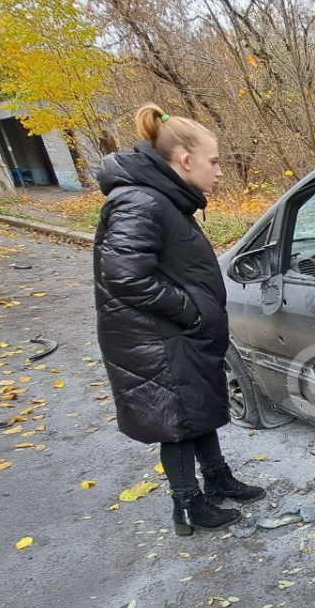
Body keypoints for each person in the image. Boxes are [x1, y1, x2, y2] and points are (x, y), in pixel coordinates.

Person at [93, 103, 264, 536]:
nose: (220, 171)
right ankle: (187, 505)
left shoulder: (161, 198)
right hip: (158, 339)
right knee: (177, 423)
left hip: (174, 336)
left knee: (196, 411)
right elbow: (124, 276)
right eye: (215, 161)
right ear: (185, 160)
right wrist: (191, 310)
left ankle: (217, 478)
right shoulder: (140, 200)